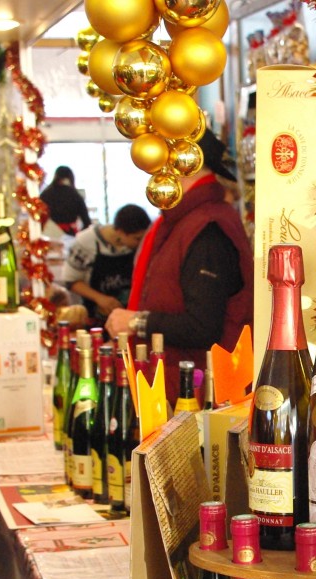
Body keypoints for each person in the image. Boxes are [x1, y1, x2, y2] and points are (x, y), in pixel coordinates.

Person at [105, 129, 253, 404]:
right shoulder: (186, 221)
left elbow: (202, 325)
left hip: (198, 399)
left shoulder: (207, 227)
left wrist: (136, 321)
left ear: (182, 162)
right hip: (181, 390)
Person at [62, 203, 151, 326]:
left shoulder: (136, 246)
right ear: (119, 232)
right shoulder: (85, 242)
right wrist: (100, 298)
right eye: (137, 238)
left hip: (130, 318)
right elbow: (70, 281)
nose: (141, 242)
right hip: (96, 320)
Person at [39, 164, 91, 236]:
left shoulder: (45, 194)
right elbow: (87, 222)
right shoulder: (75, 195)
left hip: (48, 235)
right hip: (71, 235)